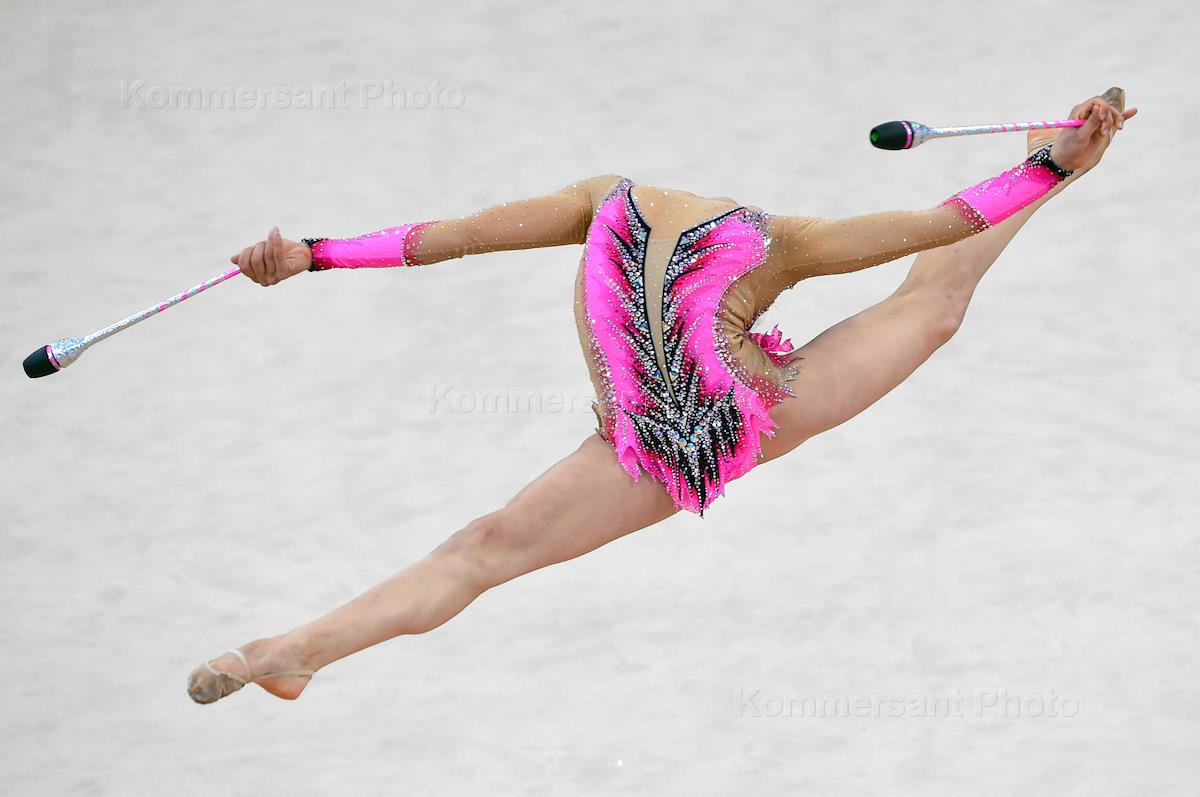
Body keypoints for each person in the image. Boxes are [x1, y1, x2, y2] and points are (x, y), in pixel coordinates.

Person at [189, 88, 1135, 704]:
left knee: (477, 551)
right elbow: (942, 221)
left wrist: (311, 254)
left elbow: (441, 238)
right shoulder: (750, 232)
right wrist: (1045, 166)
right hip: (679, 437)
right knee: (931, 305)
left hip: (715, 420)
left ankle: (294, 648)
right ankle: (291, 651)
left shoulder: (636, 206)